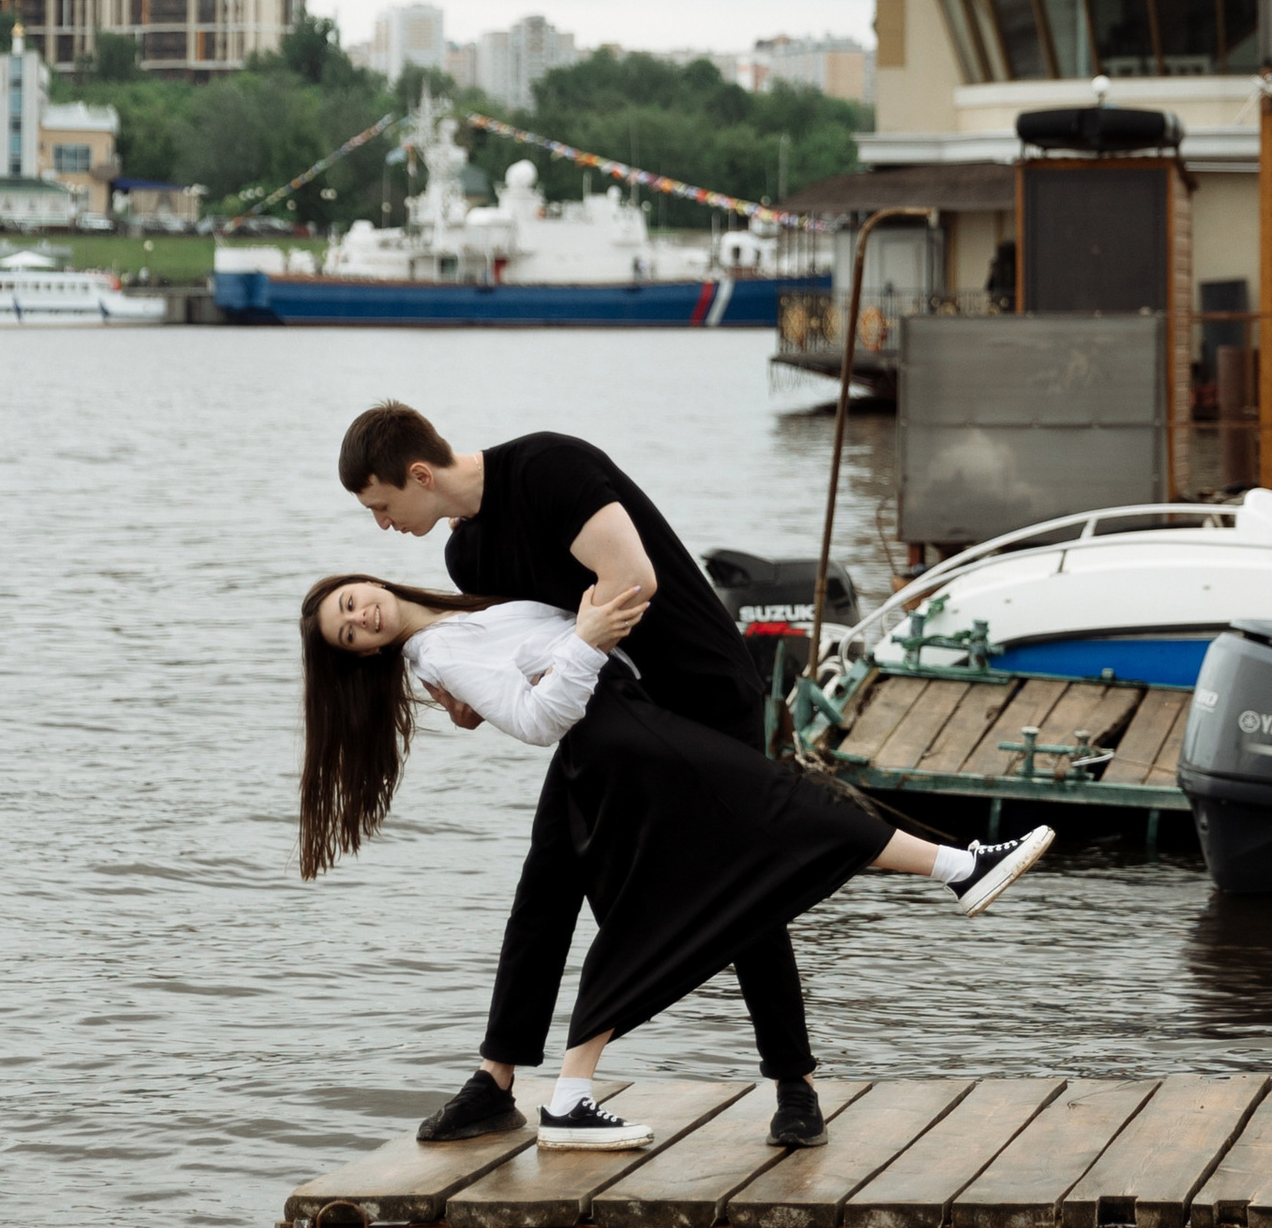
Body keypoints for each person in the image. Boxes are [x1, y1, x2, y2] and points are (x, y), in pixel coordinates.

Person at [337, 399, 1047, 1148]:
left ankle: (793, 1084)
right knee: (546, 886)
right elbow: (521, 648)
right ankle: (496, 1080)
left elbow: (631, 578)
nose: (382, 526)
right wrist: (479, 703)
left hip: (701, 689)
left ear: (419, 475)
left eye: (383, 506)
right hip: (609, 714)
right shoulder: (465, 557)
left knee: (753, 882)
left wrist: (568, 662)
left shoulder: (548, 467)